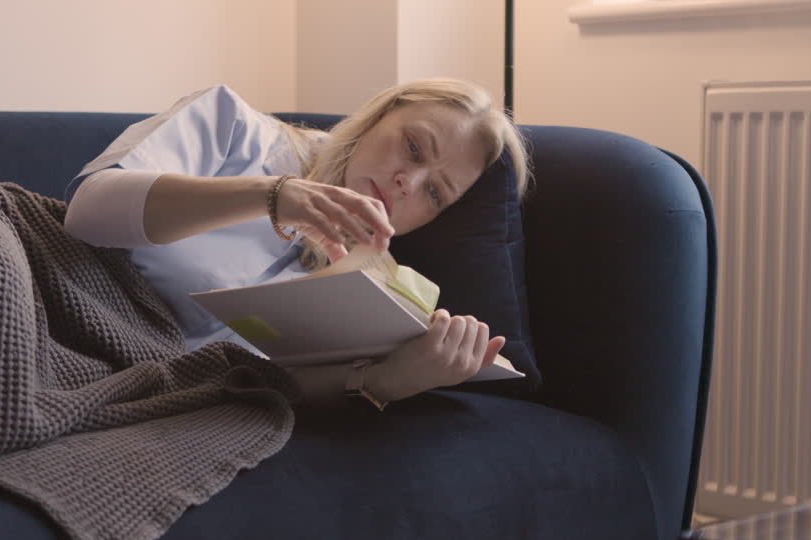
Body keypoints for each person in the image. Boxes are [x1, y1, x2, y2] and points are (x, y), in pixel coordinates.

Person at [63, 79, 530, 409]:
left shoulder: (368, 289)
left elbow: (253, 385)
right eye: (413, 147)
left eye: (435, 193)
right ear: (379, 116)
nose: (410, 181)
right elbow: (85, 212)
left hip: (131, 380)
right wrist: (273, 196)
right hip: (61, 295)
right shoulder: (233, 127)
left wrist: (392, 380)